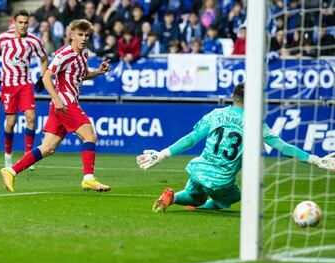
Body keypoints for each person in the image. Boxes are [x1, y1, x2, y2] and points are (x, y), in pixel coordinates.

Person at [136, 83, 335, 213]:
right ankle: (203, 205)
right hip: (221, 180)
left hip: (198, 168)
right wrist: (317, 160)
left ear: (233, 96)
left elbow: (190, 139)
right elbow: (283, 148)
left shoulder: (215, 114)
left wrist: (161, 154)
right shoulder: (254, 121)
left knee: (195, 194)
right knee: (234, 198)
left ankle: (174, 197)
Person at [0, 19, 111, 193]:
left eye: (86, 35)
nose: (83, 39)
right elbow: (46, 76)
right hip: (65, 103)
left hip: (62, 105)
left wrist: (98, 72)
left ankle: (11, 171)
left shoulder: (84, 54)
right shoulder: (64, 53)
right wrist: (57, 98)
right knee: (90, 136)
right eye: (80, 35)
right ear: (72, 35)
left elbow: (80, 76)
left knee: (47, 148)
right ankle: (88, 178)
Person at [0, 10, 49, 169]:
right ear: (14, 22)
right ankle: (8, 155)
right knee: (10, 123)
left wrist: (42, 77)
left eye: (26, 22)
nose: (23, 25)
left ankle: (28, 157)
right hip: (8, 86)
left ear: (29, 23)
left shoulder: (34, 41)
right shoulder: (4, 38)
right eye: (20, 22)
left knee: (31, 118)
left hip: (25, 85)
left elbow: (44, 59)